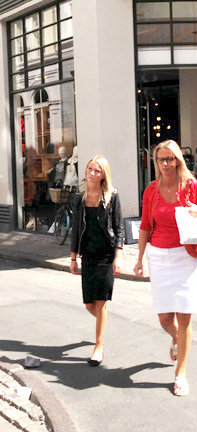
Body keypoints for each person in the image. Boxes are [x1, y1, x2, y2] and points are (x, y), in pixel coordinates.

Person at [133, 140, 197, 397]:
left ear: (178, 160)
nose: (166, 164)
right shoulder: (151, 190)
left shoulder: (191, 186)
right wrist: (139, 258)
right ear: (155, 162)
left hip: (187, 256)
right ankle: (177, 338)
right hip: (158, 256)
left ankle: (180, 373)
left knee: (185, 314)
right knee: (164, 318)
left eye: (170, 159)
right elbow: (146, 225)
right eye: (161, 159)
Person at [68, 156, 125, 366]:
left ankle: (98, 346)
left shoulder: (112, 196)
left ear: (103, 175)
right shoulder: (79, 198)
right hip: (88, 255)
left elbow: (118, 227)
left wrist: (118, 255)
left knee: (100, 303)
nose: (92, 173)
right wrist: (73, 258)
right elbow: (76, 230)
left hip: (106, 254)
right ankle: (102, 322)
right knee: (89, 305)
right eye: (90, 169)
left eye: (97, 170)